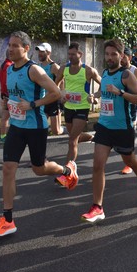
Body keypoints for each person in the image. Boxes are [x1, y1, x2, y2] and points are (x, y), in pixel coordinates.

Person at [0, 31, 76, 237]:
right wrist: (8, 103)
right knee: (8, 169)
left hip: (35, 127)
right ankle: (8, 219)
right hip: (17, 127)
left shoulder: (34, 70)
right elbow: (14, 94)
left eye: (15, 45)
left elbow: (55, 92)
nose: (10, 49)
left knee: (39, 168)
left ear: (26, 49)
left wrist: (33, 104)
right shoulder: (9, 70)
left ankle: (66, 170)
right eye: (9, 45)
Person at [81, 39, 137, 223]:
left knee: (130, 160)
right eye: (107, 54)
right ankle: (98, 207)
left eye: (114, 54)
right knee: (97, 165)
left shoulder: (126, 75)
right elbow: (105, 91)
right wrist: (94, 97)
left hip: (122, 128)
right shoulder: (104, 73)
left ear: (121, 56)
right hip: (104, 126)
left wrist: (120, 92)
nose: (110, 57)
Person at [56, 42, 101, 174]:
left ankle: (68, 172)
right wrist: (61, 95)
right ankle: (93, 138)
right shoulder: (63, 68)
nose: (70, 57)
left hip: (82, 108)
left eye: (73, 54)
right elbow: (55, 85)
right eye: (69, 54)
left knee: (72, 141)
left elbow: (105, 84)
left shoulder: (88, 70)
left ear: (80, 54)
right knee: (74, 137)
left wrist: (95, 96)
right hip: (68, 108)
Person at [120, 48, 137, 174]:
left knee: (130, 133)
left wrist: (123, 93)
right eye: (120, 57)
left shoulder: (136, 72)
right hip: (119, 107)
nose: (121, 59)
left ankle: (129, 163)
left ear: (129, 58)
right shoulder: (116, 71)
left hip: (132, 107)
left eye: (124, 57)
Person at [35, 42, 63, 135]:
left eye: (42, 52)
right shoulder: (38, 67)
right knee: (40, 126)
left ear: (48, 53)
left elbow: (62, 80)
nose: (40, 53)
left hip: (53, 100)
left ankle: (64, 130)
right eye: (39, 51)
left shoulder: (54, 66)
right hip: (43, 99)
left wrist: (61, 95)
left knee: (56, 131)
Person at [0, 50, 13, 143]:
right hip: (8, 95)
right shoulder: (8, 66)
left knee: (5, 116)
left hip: (5, 94)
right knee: (7, 116)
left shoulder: (4, 64)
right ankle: (3, 137)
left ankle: (3, 136)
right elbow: (7, 82)